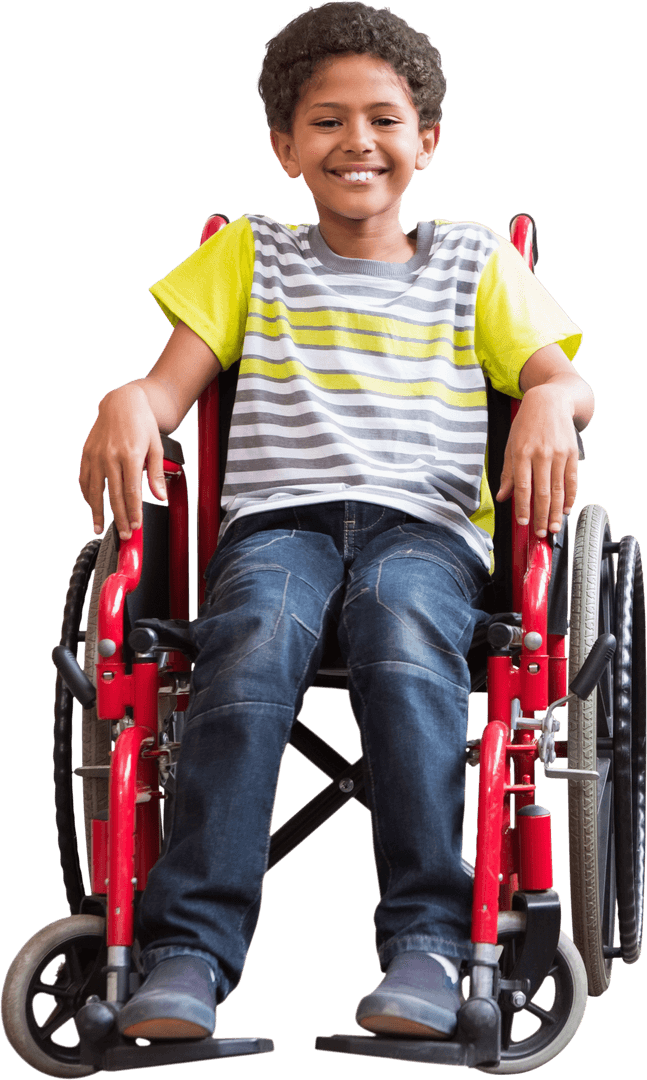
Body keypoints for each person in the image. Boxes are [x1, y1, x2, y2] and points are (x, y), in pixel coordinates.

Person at [79, 1, 594, 1045]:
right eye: (323, 122)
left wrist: (548, 397)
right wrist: (126, 401)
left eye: (382, 119)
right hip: (278, 526)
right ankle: (184, 951)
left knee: (405, 635)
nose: (355, 142)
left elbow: (562, 382)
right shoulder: (249, 258)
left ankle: (429, 943)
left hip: (426, 535)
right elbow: (164, 393)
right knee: (252, 643)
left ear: (425, 140)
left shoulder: (474, 262)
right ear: (283, 146)